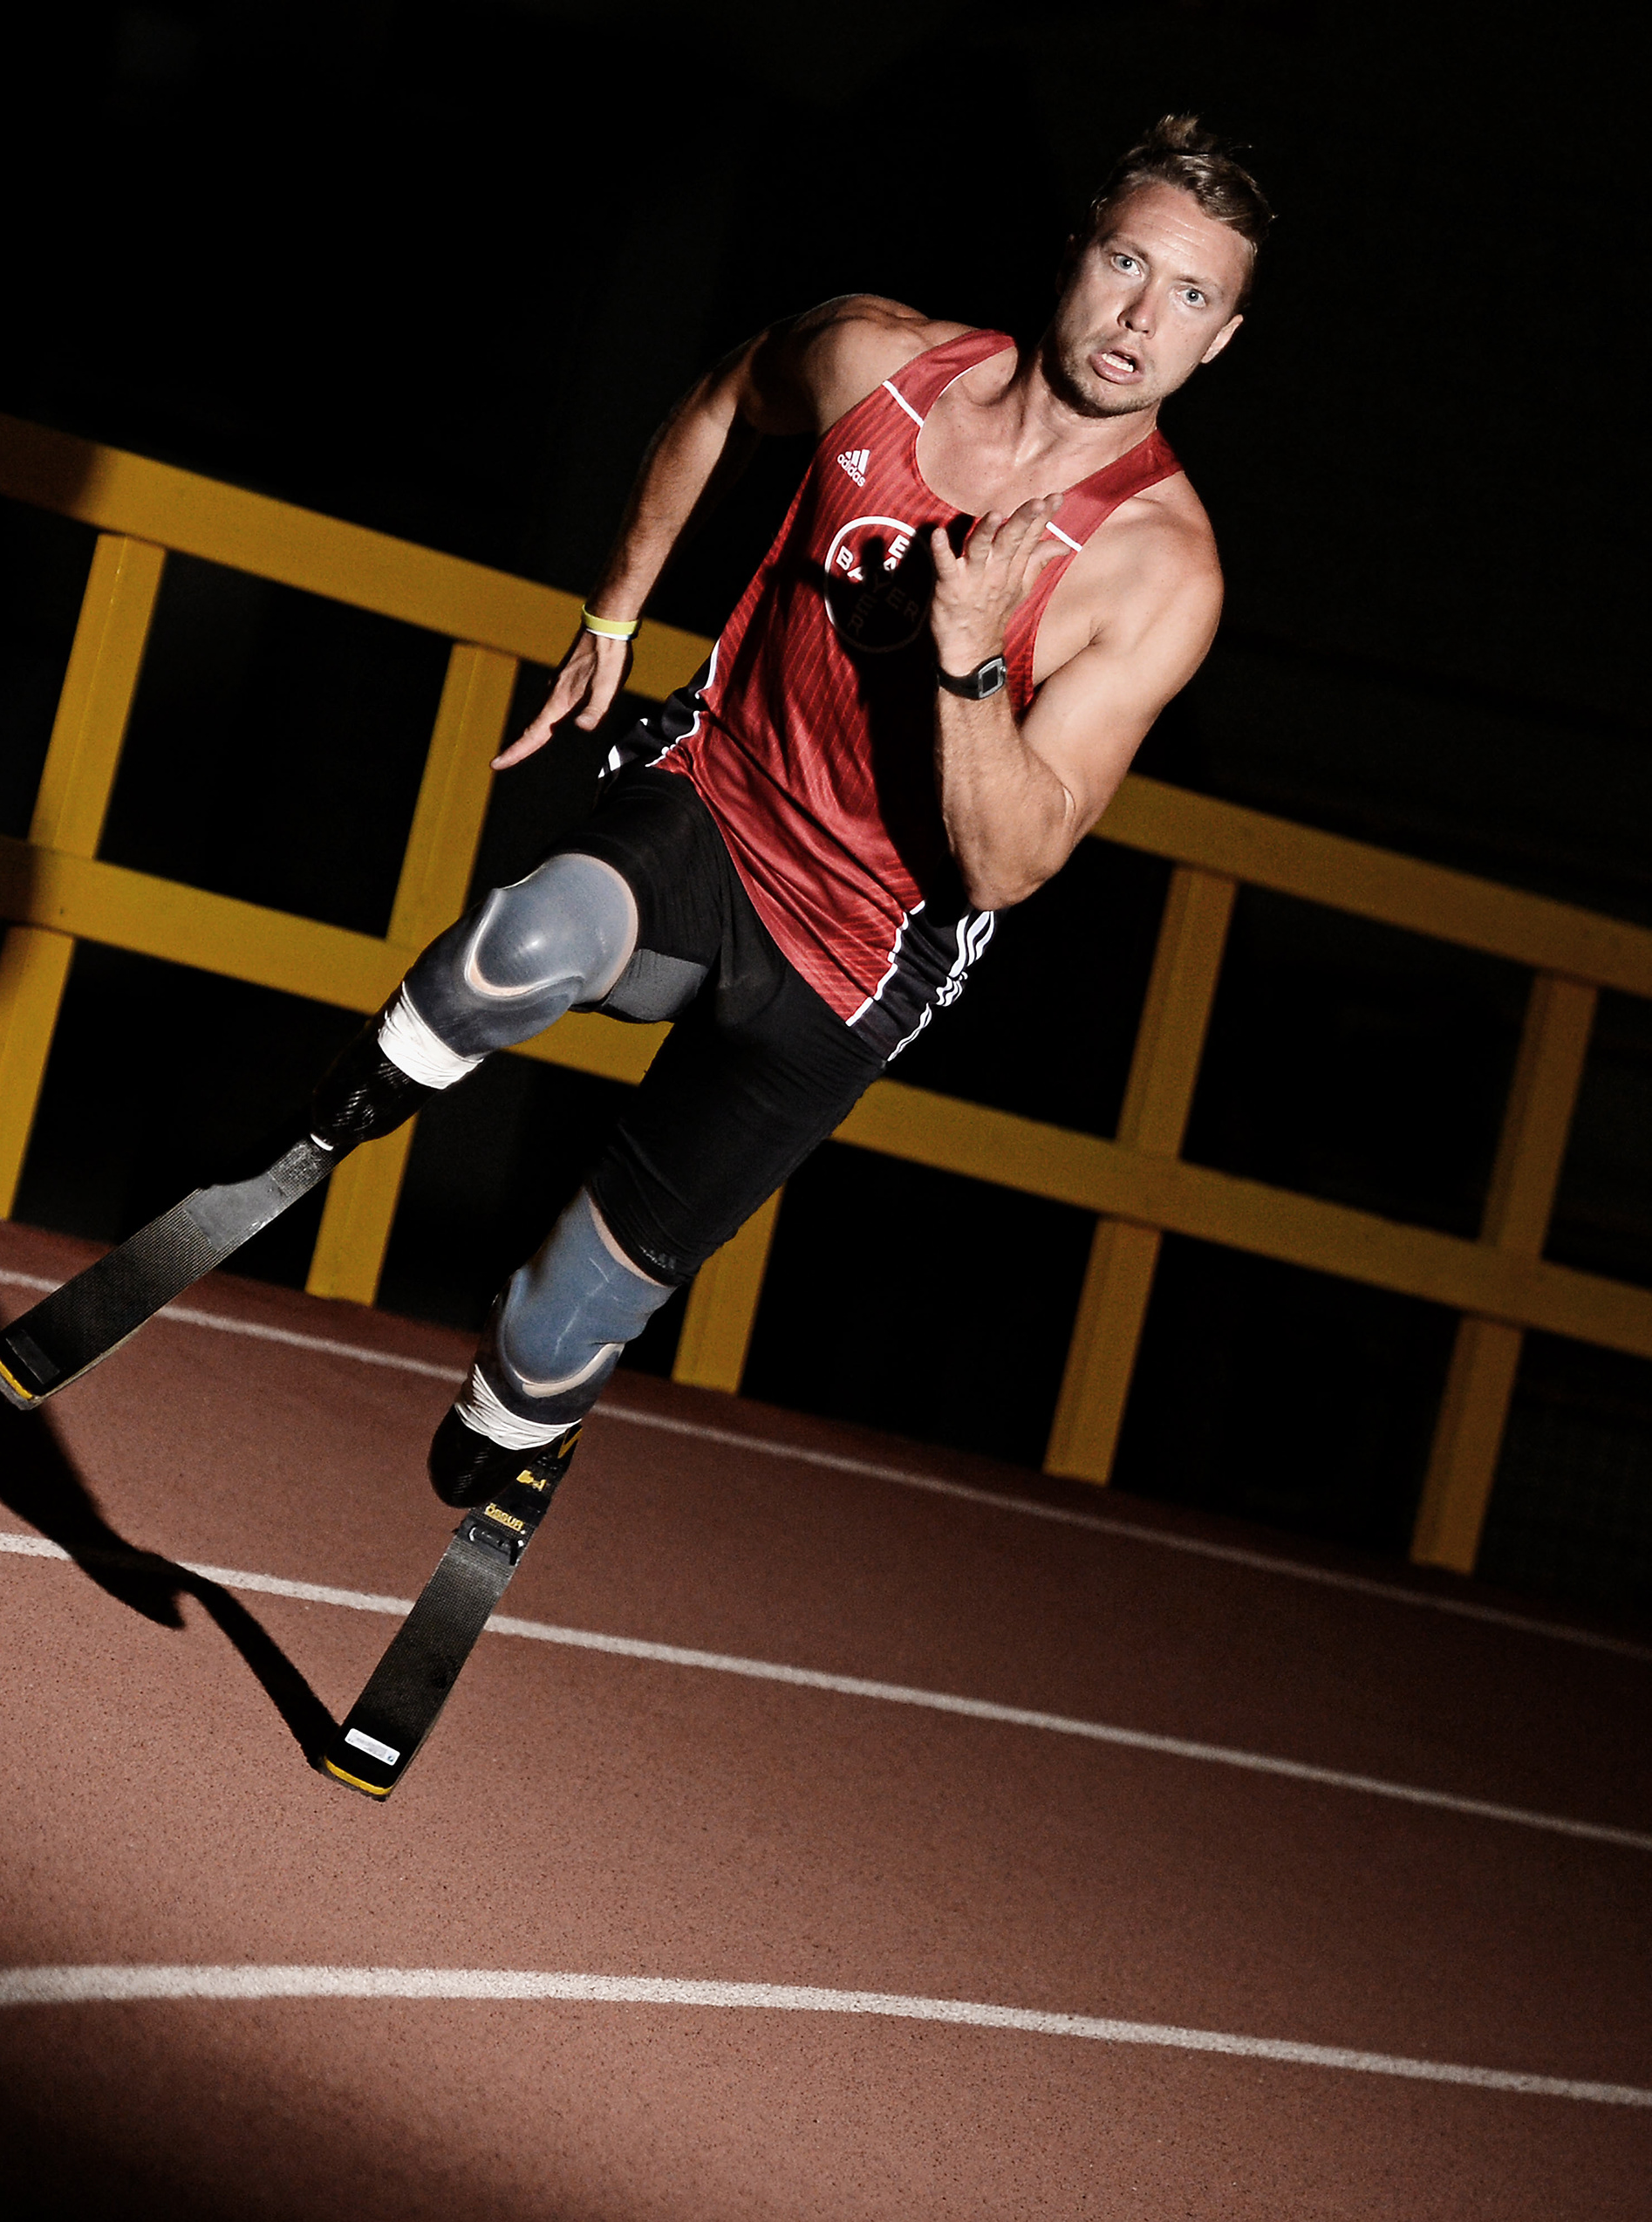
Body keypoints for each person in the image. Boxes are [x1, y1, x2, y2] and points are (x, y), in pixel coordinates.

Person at [302, 114, 1271, 1514]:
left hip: (860, 959)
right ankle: (400, 1061)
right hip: (714, 802)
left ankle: (532, 1396)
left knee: (545, 1337)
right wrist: (616, 609)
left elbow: (1008, 865)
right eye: (1127, 262)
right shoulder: (878, 357)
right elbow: (720, 397)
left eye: (1190, 297)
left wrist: (971, 652)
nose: (1140, 317)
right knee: (518, 952)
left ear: (1220, 343)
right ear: (1074, 261)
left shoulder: (1159, 571)